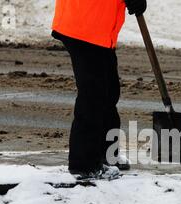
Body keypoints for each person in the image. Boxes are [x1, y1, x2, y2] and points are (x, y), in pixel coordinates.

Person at [51, 0, 147, 179]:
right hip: (84, 25)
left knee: (109, 93)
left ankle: (107, 155)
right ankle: (84, 165)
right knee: (93, 97)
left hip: (98, 28)